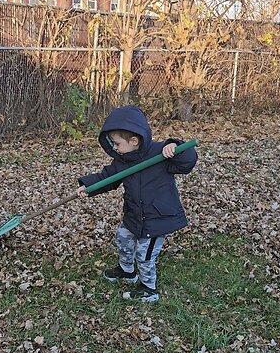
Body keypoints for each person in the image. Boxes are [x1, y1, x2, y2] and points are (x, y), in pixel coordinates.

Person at [76, 105, 198, 302]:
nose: (114, 148)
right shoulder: (123, 160)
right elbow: (107, 178)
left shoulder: (160, 154)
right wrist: (88, 187)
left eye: (116, 143)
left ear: (134, 141)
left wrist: (175, 146)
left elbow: (187, 162)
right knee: (123, 237)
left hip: (157, 217)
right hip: (134, 214)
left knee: (145, 253)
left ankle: (149, 289)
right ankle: (127, 271)